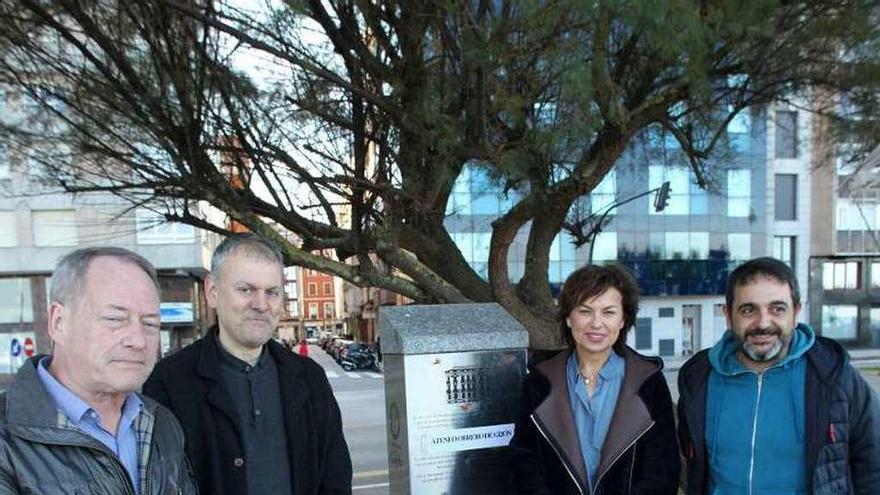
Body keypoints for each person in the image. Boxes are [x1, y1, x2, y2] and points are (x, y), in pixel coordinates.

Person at [143, 233, 352, 495]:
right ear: (212, 292)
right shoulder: (169, 382)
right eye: (246, 290)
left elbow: (336, 476)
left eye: (272, 292)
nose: (261, 305)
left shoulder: (309, 377)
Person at [0, 247, 196, 494]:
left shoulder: (162, 423)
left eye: (150, 323)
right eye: (115, 319)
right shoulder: (7, 440)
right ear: (58, 322)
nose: (138, 340)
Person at [677, 257, 880, 494]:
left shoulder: (835, 378)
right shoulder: (699, 379)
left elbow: (873, 469)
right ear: (728, 315)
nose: (763, 323)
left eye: (777, 309)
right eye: (748, 310)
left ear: (795, 312)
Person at [509, 264, 680, 494]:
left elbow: (661, 470)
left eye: (608, 312)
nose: (596, 323)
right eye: (585, 311)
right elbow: (525, 462)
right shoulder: (540, 382)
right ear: (569, 318)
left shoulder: (648, 381)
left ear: (622, 320)